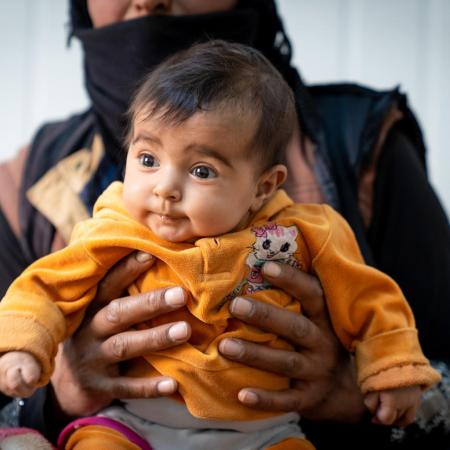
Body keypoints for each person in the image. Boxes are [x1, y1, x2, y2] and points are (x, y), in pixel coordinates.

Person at [0, 1, 448, 449]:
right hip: (131, 427)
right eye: (148, 159)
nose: (165, 190)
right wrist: (52, 393)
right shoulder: (46, 189)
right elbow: (40, 291)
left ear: (265, 186)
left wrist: (368, 386)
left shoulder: (337, 182)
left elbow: (373, 300)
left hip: (266, 432)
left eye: (202, 170)